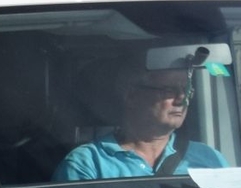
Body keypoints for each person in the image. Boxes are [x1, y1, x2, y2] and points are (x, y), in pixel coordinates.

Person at [55, 55, 227, 181]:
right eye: (169, 90)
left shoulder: (210, 157)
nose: (182, 98)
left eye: (187, 90)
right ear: (131, 95)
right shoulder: (88, 163)